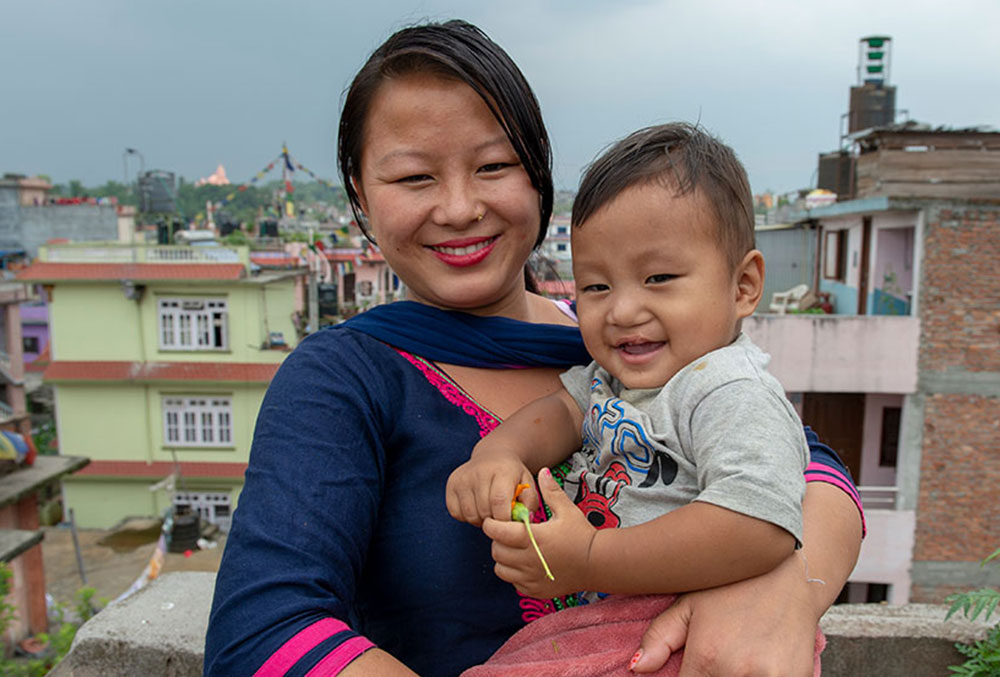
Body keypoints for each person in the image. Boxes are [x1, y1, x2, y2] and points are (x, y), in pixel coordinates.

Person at [204, 20, 864, 677]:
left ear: (539, 172)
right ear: (359, 193)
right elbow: (262, 631)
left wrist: (785, 589)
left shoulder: (622, 343)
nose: (460, 208)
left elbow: (805, 467)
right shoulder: (344, 380)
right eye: (413, 178)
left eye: (494, 166)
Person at [447, 123, 816, 673]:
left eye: (659, 277)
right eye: (596, 286)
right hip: (609, 623)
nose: (621, 311)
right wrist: (499, 455)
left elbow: (759, 528)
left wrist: (592, 560)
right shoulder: (611, 379)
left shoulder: (727, 391)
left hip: (679, 627)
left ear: (743, 286)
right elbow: (560, 414)